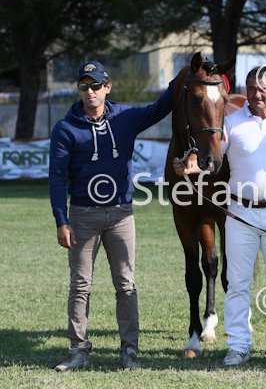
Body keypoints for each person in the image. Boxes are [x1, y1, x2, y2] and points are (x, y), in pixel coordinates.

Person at [176, 66, 266, 366]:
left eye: (263, 88)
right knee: (237, 283)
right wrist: (190, 166)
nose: (256, 94)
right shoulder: (231, 122)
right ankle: (238, 346)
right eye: (251, 88)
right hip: (240, 214)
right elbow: (211, 160)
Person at [49, 61, 174, 371]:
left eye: (95, 85)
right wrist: (61, 220)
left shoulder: (125, 118)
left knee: (126, 285)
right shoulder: (65, 128)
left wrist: (182, 78)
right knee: (80, 286)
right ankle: (78, 351)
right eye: (84, 86)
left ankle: (129, 352)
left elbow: (160, 108)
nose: (89, 91)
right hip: (82, 215)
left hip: (121, 214)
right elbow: (56, 178)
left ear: (107, 87)